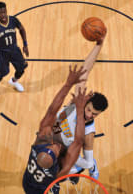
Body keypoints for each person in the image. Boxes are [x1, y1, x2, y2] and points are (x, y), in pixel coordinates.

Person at [22, 65, 92, 194]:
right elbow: (78, 141)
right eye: (55, 152)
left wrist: (68, 83)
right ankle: (66, 180)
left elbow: (51, 111)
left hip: (27, 181)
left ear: (42, 148)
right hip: (43, 190)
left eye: (51, 147)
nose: (56, 146)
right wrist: (80, 108)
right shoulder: (60, 170)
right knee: (84, 163)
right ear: (55, 162)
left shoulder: (42, 139)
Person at [54, 36, 108, 182]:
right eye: (89, 110)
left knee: (85, 164)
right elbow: (85, 69)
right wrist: (99, 44)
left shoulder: (88, 132)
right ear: (86, 103)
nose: (90, 115)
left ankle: (76, 169)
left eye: (95, 114)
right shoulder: (78, 102)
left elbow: (85, 158)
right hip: (56, 137)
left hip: (65, 148)